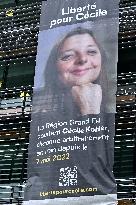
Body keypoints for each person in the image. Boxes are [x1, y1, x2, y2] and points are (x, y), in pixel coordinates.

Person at [43, 27, 108, 116]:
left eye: (91, 51)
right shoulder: (42, 118)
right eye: (68, 56)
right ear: (54, 68)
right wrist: (90, 110)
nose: (82, 59)